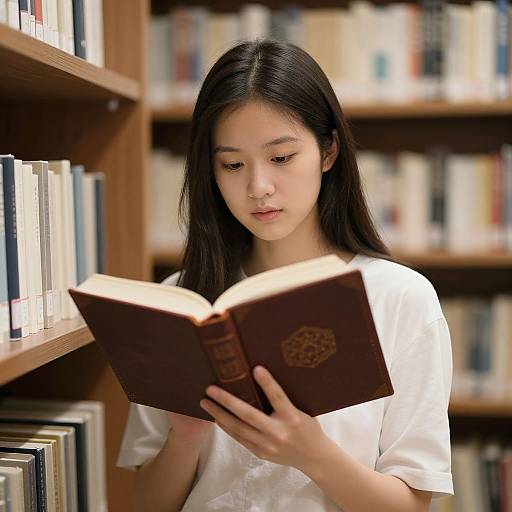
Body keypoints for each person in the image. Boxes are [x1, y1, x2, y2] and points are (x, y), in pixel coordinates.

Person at [116, 39, 454, 512]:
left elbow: (414, 505)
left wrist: (311, 455)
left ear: (329, 150)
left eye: (281, 158)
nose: (258, 187)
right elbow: (147, 504)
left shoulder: (401, 299)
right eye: (232, 164)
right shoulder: (182, 300)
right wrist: (185, 439)